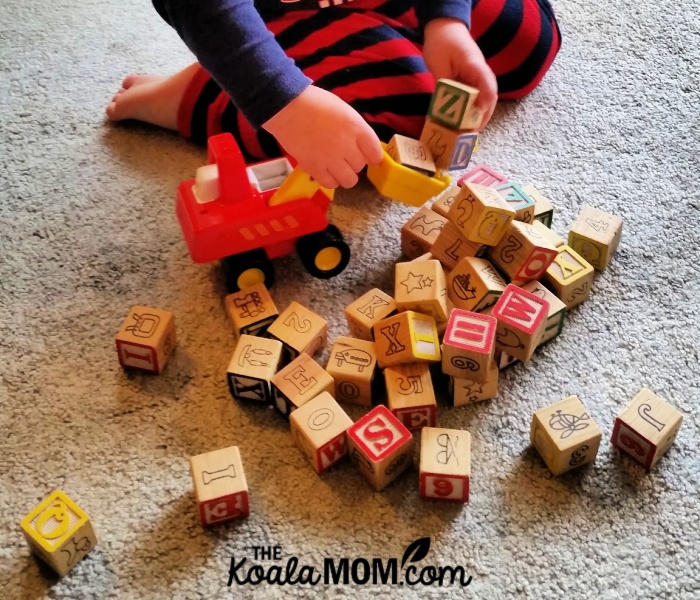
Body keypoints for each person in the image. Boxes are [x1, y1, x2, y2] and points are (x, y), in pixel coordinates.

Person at [107, 0, 561, 189]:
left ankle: (402, 28)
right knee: (371, 123)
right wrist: (286, 103)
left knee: (525, 45)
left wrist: (447, 20)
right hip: (264, 21)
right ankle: (193, 94)